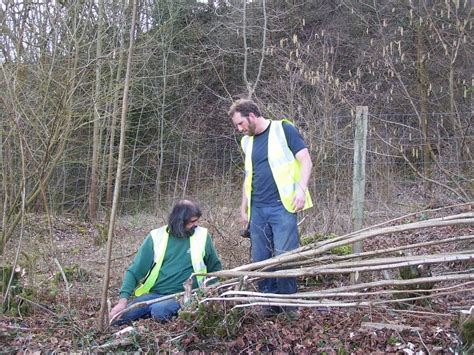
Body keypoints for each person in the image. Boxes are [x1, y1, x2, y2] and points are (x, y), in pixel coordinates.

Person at [228, 99, 313, 311]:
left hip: (282, 206)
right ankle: (268, 307)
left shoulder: (283, 129)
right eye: (237, 126)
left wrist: (301, 190)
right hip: (257, 209)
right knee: (261, 259)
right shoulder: (247, 142)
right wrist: (244, 208)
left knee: (285, 257)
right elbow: (249, 176)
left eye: (240, 124)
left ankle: (288, 307)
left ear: (252, 115)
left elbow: (306, 160)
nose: (239, 129)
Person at [109, 199, 222, 326]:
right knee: (117, 319)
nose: (196, 224)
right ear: (179, 221)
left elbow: (215, 267)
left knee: (160, 310)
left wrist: (210, 293)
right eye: (192, 222)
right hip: (155, 295)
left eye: (197, 220)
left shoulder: (203, 236)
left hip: (185, 295)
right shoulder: (156, 237)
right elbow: (135, 271)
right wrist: (122, 302)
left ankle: (152, 318)